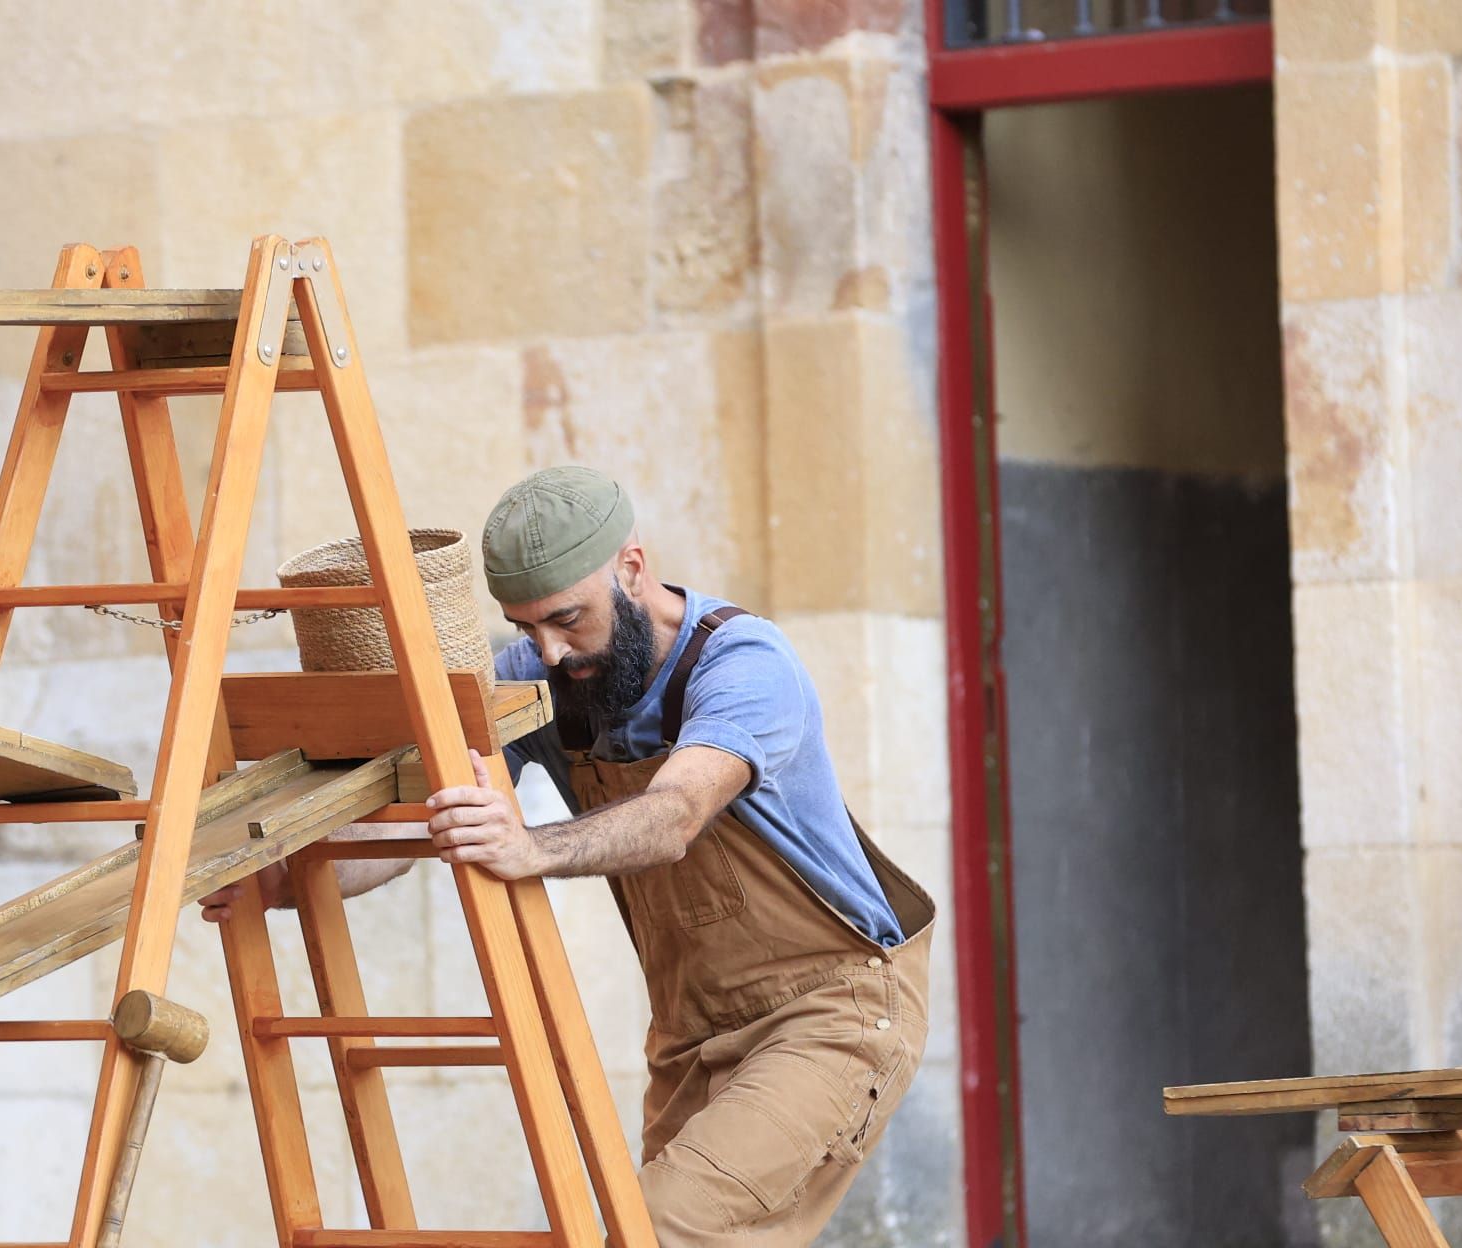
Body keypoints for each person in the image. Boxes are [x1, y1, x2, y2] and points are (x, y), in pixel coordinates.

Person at [204, 466, 934, 1246]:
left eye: (566, 619)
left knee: (643, 1229)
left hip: (833, 1015)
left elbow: (675, 816)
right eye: (526, 629)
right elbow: (422, 827)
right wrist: (287, 880)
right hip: (689, 1030)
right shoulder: (542, 678)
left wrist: (527, 847)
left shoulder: (744, 665)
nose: (549, 651)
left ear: (632, 568)